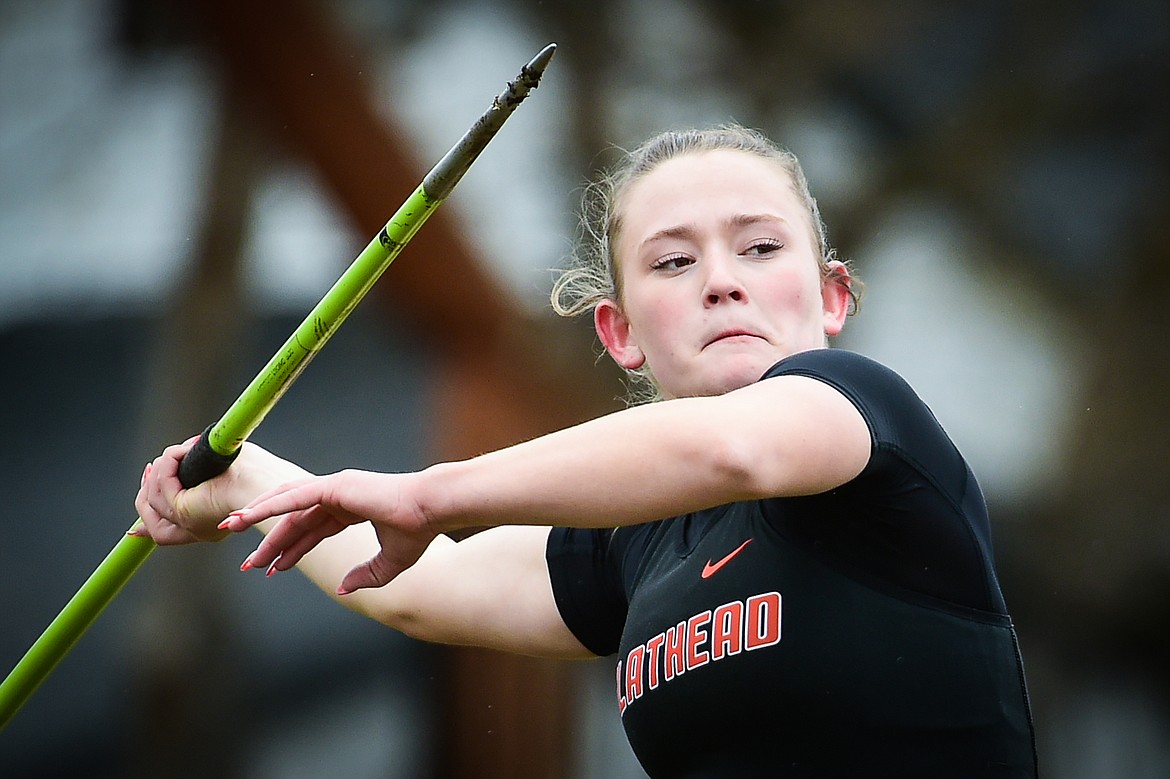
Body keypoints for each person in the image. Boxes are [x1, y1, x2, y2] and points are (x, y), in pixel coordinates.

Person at [135, 124, 1038, 777]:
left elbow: (732, 450)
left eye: (760, 247)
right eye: (673, 263)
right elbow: (425, 586)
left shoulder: (869, 420)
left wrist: (433, 493)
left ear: (832, 297)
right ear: (620, 332)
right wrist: (244, 484)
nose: (723, 280)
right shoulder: (637, 540)